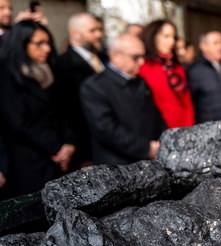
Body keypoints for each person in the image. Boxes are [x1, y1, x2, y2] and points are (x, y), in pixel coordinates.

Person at [0, 20, 75, 197]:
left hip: (60, 159)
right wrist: (57, 148)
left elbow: (66, 111)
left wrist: (69, 144)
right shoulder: (6, 74)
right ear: (21, 43)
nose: (47, 49)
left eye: (48, 42)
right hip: (29, 161)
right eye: (39, 43)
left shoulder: (51, 71)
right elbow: (17, 122)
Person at [80, 34, 165, 165]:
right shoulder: (94, 87)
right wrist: (146, 148)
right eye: (136, 57)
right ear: (115, 55)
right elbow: (106, 130)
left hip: (147, 160)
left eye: (143, 56)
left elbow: (155, 117)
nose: (142, 62)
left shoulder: (139, 81)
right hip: (117, 165)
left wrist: (163, 141)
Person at [52, 13, 106, 168]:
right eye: (92, 30)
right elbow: (68, 112)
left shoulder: (105, 58)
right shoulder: (62, 66)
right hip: (87, 151)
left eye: (100, 29)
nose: (99, 34)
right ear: (75, 34)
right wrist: (81, 153)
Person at [139, 20, 194, 128]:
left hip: (182, 129)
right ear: (153, 36)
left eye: (173, 37)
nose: (172, 41)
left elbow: (187, 103)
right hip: (158, 131)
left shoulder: (177, 67)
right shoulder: (143, 66)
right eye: (166, 36)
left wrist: (189, 129)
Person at [186, 30, 221, 123]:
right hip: (207, 132)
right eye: (216, 43)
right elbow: (187, 104)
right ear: (203, 46)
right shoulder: (195, 71)